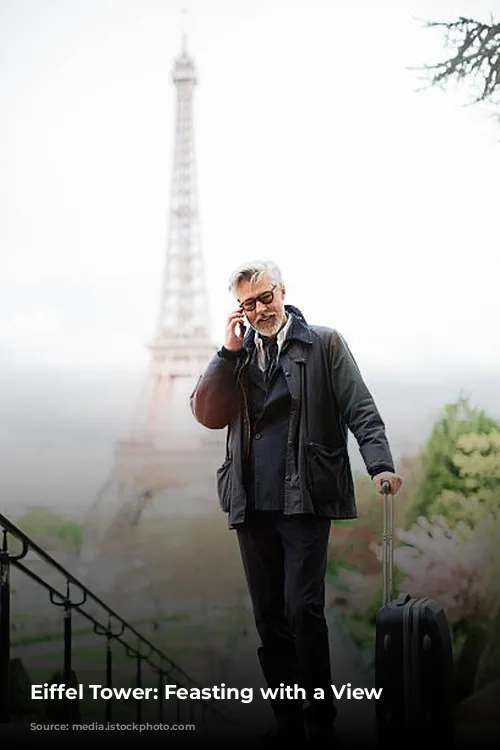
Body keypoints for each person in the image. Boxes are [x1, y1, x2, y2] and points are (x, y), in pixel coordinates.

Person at [190, 260, 402, 747]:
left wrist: (381, 465)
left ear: (283, 291)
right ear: (238, 309)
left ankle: (319, 722)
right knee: (268, 616)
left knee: (302, 608)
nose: (260, 309)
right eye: (249, 303)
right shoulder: (237, 355)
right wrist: (226, 352)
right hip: (251, 502)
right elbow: (206, 414)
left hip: (305, 497)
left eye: (266, 297)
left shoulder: (324, 343)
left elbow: (360, 408)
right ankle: (288, 722)